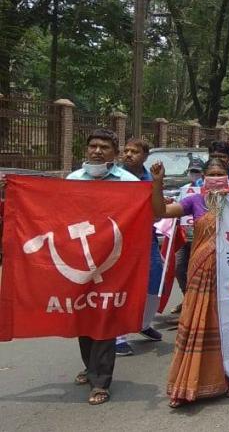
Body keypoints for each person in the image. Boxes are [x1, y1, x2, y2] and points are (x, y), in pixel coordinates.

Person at [149, 158, 229, 407]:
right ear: (203, 177)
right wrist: (157, 183)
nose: (215, 178)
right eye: (211, 173)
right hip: (201, 272)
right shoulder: (195, 201)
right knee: (194, 325)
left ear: (228, 176)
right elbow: (161, 212)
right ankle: (185, 384)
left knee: (226, 328)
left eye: (220, 173)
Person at [65, 128, 140, 405]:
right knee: (84, 315)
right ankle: (91, 366)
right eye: (93, 146)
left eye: (104, 147)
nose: (97, 151)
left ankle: (101, 382)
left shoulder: (129, 183)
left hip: (114, 262)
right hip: (80, 259)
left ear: (115, 153)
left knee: (105, 316)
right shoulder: (72, 180)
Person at [116, 138, 165, 356]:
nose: (128, 154)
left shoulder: (150, 177)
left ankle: (143, 323)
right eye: (126, 151)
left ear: (145, 156)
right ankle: (118, 335)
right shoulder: (113, 177)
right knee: (121, 285)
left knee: (155, 279)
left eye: (134, 151)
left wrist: (158, 184)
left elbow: (158, 208)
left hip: (146, 237)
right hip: (118, 240)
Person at [172, 160, 204, 313]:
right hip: (185, 236)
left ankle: (196, 304)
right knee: (179, 267)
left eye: (197, 171)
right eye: (193, 171)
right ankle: (188, 298)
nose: (195, 175)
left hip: (202, 239)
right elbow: (174, 211)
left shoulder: (213, 193)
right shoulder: (186, 191)